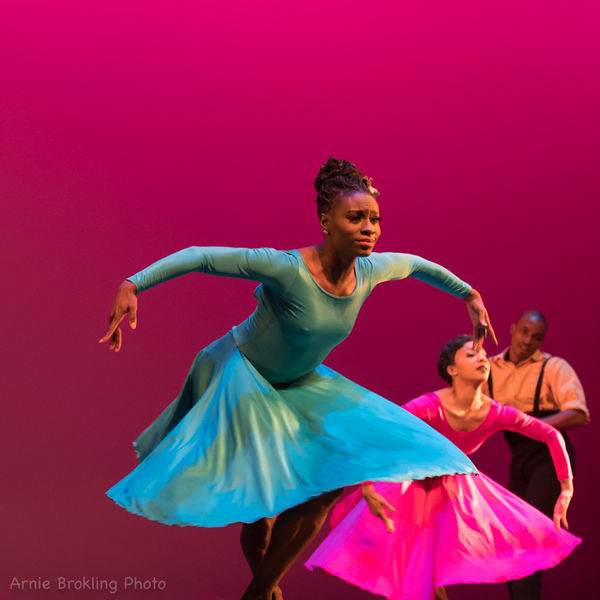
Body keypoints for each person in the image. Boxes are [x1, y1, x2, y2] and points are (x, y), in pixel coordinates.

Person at [99, 158, 494, 600]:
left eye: (375, 219)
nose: (370, 228)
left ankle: (260, 590)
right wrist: (133, 284)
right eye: (356, 218)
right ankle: (264, 588)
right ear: (327, 222)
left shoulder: (372, 270)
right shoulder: (288, 269)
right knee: (262, 503)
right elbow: (202, 256)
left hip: (298, 384)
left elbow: (419, 265)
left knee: (324, 488)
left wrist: (470, 295)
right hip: (238, 374)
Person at [305, 335, 580, 600]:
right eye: (471, 354)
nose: (482, 358)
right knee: (413, 575)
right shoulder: (429, 406)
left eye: (483, 354)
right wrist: (367, 488)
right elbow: (381, 434)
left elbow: (550, 435)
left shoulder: (495, 413)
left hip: (453, 493)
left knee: (427, 576)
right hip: (410, 488)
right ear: (452, 370)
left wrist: (566, 488)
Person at [485, 310, 590, 600]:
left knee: (528, 535)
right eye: (524, 332)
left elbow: (579, 413)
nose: (528, 341)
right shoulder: (489, 368)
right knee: (510, 538)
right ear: (512, 329)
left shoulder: (554, 367)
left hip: (551, 455)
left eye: (537, 337)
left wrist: (534, 426)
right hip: (520, 459)